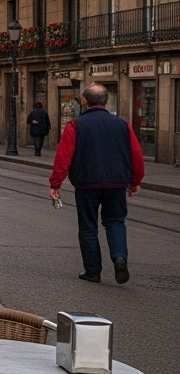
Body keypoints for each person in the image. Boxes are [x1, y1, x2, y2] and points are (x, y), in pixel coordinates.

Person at [49, 84, 145, 285]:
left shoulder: (75, 125)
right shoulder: (123, 125)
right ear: (106, 101)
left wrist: (56, 183)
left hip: (87, 183)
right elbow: (136, 155)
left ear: (84, 101)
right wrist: (135, 181)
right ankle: (119, 257)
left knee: (88, 227)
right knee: (116, 221)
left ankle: (93, 271)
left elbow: (63, 157)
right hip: (116, 182)